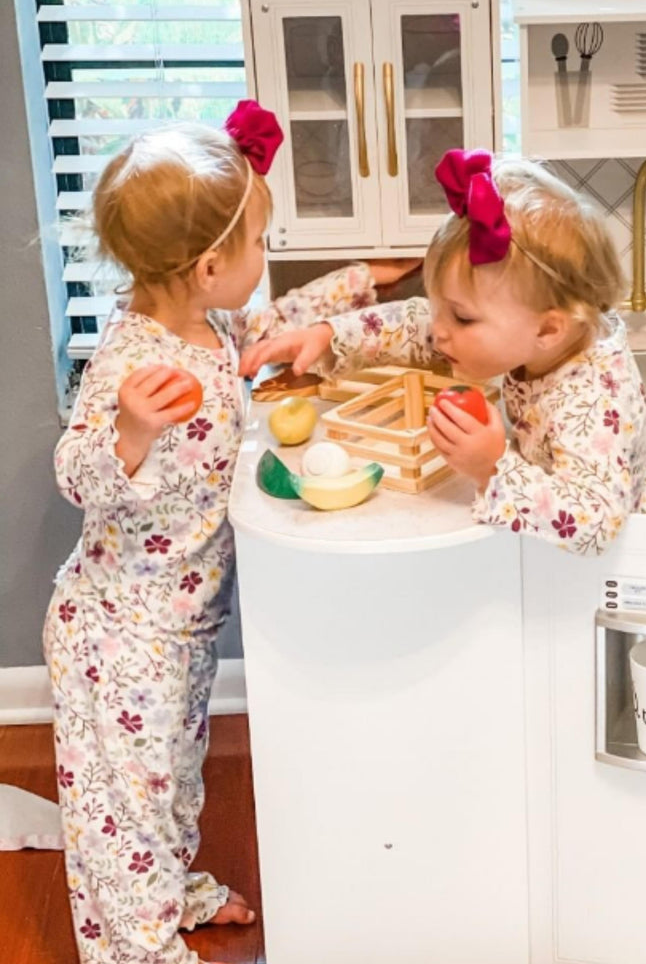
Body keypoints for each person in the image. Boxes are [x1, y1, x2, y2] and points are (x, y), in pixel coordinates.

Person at [45, 101, 417, 964]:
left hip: (179, 629)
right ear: (211, 265)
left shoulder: (208, 327)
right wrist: (128, 434)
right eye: (258, 244)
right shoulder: (135, 362)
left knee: (171, 784)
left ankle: (168, 892)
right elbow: (74, 473)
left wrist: (365, 278)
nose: (266, 258)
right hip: (118, 636)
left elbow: (274, 319)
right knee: (123, 808)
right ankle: (137, 947)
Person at [240, 148, 646, 554]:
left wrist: (492, 468)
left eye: (460, 318)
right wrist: (328, 335)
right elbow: (413, 324)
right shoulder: (540, 338)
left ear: (548, 328)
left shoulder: (592, 397)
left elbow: (596, 523)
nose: (439, 331)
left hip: (603, 579)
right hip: (541, 550)